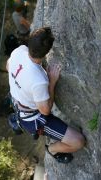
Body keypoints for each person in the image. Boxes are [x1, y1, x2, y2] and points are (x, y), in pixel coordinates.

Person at [6, 27, 85, 163]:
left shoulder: (20, 51)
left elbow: (8, 66)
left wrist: (21, 83)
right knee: (78, 141)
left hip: (19, 102)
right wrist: (52, 81)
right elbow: (45, 110)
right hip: (33, 117)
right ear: (46, 52)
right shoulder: (39, 80)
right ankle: (52, 149)